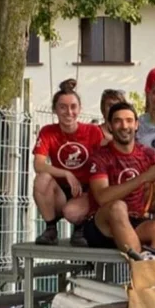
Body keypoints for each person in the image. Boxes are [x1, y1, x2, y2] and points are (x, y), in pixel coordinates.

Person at [84, 102, 155, 252]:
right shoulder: (100, 157)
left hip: (135, 221)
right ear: (109, 126)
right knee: (117, 207)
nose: (124, 126)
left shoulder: (148, 155)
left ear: (136, 125)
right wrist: (143, 178)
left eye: (129, 121)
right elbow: (102, 197)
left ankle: (154, 265)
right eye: (118, 121)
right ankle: (139, 262)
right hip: (103, 226)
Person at [32, 81, 104, 246]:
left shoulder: (93, 131)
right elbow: (39, 165)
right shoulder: (48, 131)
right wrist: (66, 173)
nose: (69, 112)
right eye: (63, 107)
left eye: (73, 107)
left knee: (71, 212)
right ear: (55, 110)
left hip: (85, 190)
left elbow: (102, 162)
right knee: (42, 179)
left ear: (80, 109)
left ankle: (81, 227)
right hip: (61, 190)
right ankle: (51, 229)